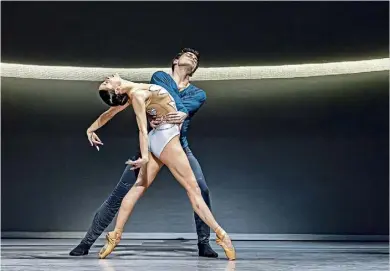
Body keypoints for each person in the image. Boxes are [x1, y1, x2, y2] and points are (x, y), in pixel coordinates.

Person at [70, 48, 220, 258]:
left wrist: (178, 112)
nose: (193, 58)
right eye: (188, 55)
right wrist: (91, 128)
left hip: (178, 146)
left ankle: (204, 243)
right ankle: (87, 242)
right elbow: (125, 107)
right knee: (120, 193)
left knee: (201, 190)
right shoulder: (159, 77)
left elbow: (180, 109)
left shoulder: (198, 94)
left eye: (196, 59)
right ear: (175, 61)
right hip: (152, 144)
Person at [94, 72, 235, 260]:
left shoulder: (133, 91)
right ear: (118, 89)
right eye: (107, 83)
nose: (107, 78)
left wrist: (90, 129)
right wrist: (144, 157)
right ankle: (222, 235)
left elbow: (110, 112)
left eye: (105, 81)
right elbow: (142, 130)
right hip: (165, 136)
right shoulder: (137, 95)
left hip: (159, 136)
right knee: (193, 190)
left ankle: (114, 237)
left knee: (138, 187)